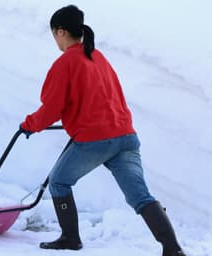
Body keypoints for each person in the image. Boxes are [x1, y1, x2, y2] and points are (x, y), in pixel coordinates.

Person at [20, 5, 186, 256]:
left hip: (95, 140)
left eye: (54, 34)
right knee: (141, 196)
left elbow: (51, 108)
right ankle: (172, 249)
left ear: (61, 32)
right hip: (126, 137)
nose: (55, 39)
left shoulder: (66, 62)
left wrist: (29, 125)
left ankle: (70, 238)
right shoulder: (97, 57)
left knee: (59, 182)